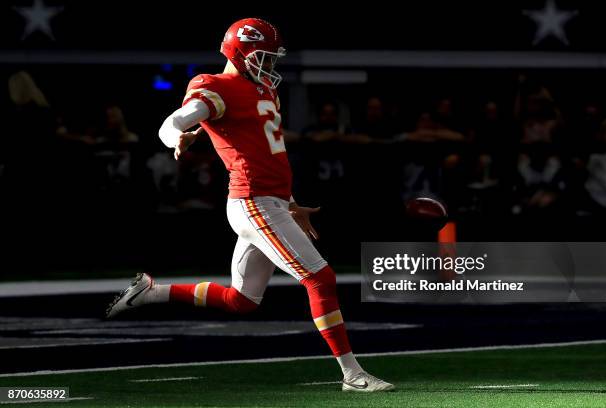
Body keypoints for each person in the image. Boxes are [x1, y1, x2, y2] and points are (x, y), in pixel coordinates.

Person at [106, 18, 393, 393]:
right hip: (253, 202)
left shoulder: (263, 91)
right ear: (239, 53)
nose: (270, 66)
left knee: (242, 301)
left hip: (269, 202)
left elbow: (266, 154)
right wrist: (178, 137)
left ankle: (150, 292)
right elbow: (171, 122)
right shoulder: (215, 86)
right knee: (320, 279)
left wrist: (290, 203)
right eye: (264, 57)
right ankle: (353, 374)